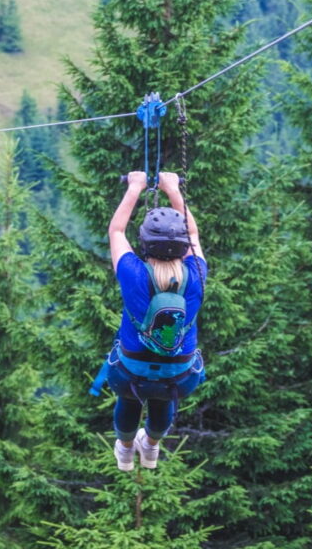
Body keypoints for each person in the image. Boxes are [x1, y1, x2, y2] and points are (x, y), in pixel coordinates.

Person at [106, 170, 207, 471]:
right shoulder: (197, 275)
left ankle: (125, 450)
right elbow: (195, 235)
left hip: (128, 371)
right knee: (164, 395)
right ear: (184, 246)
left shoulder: (133, 274)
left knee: (130, 395)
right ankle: (150, 445)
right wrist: (173, 189)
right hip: (180, 375)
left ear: (146, 244)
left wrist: (135, 187)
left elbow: (116, 232)